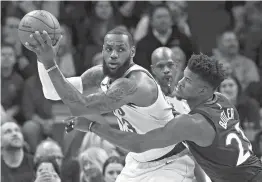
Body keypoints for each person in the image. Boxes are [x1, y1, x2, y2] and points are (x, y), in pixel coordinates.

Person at [26, 27, 198, 181]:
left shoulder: (135, 84)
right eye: (109, 49)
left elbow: (79, 107)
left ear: (132, 52)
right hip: (137, 161)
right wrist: (43, 59)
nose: (114, 55)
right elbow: (52, 92)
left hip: (172, 162)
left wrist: (50, 64)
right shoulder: (100, 75)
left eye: (121, 49)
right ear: (103, 51)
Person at [66, 54, 262, 182]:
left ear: (202, 89)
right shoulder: (222, 100)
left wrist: (93, 126)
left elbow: (139, 144)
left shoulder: (192, 124)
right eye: (184, 76)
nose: (181, 82)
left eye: (188, 81)